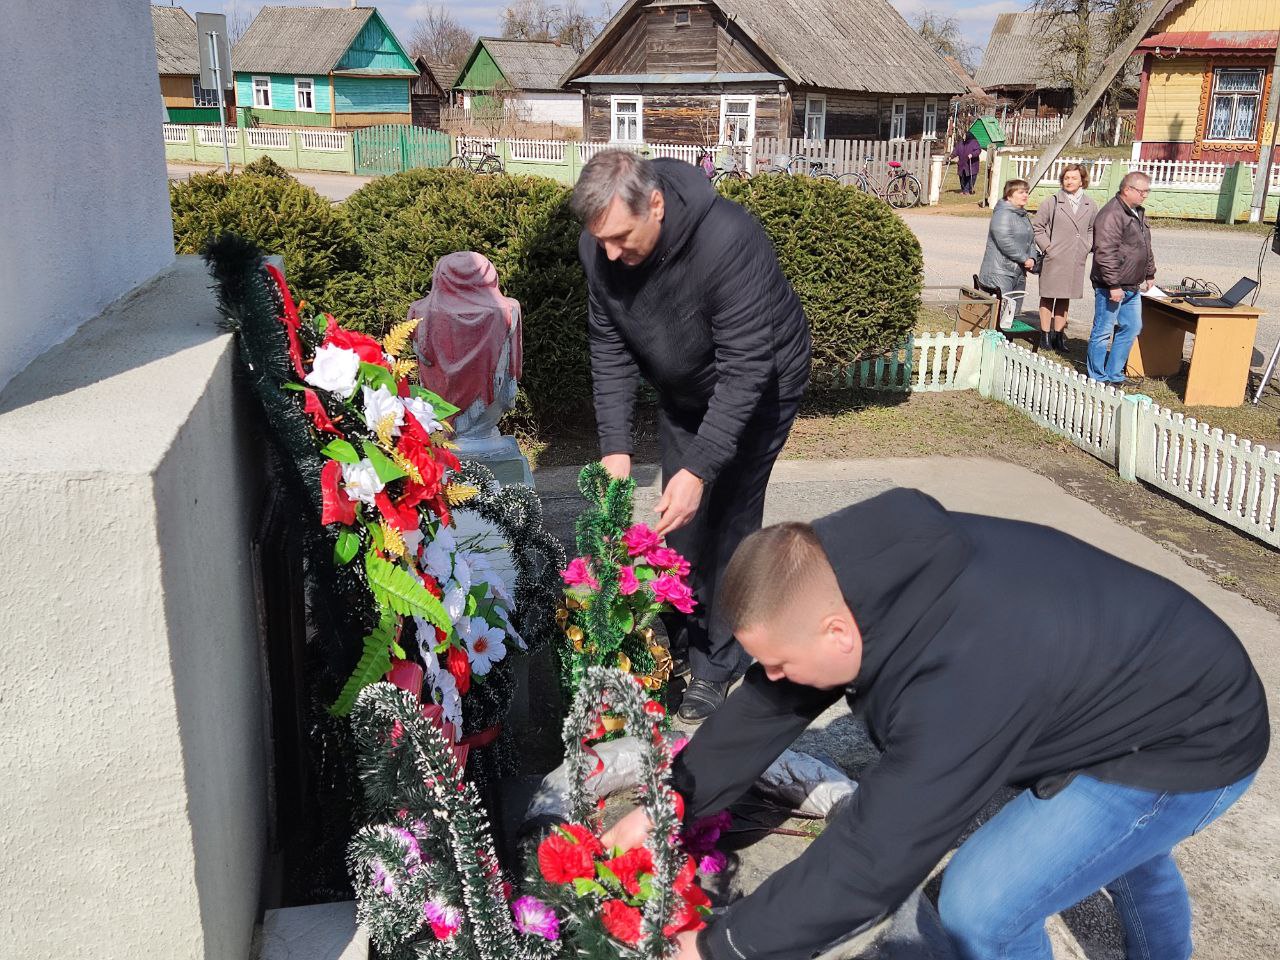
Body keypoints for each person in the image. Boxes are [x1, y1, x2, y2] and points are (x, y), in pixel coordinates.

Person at [605, 488, 1268, 960]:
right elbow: (770, 702)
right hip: (1138, 679)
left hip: (1191, 737)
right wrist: (675, 799)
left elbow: (875, 854)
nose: (769, 678)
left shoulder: (962, 680)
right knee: (1118, 850)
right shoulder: (840, 574)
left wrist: (723, 947)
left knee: (981, 908)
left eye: (777, 663)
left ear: (837, 632)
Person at [572, 149, 811, 722]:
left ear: (655, 204)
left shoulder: (728, 238)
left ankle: (716, 662)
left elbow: (748, 366)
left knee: (727, 515)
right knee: (677, 519)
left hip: (760, 386)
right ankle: (683, 624)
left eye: (622, 237)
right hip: (683, 389)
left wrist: (701, 467)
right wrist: (615, 448)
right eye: (600, 240)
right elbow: (609, 347)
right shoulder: (601, 246)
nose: (609, 254)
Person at [1088, 171, 1156, 384]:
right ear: (1127, 190)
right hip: (1111, 286)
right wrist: (1113, 284)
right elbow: (1104, 252)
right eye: (1142, 191)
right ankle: (1097, 377)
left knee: (1132, 327)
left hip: (1132, 285)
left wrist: (1149, 272)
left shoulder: (1136, 212)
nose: (1145, 195)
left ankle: (1114, 374)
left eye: (1147, 191)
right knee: (1103, 331)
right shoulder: (1112, 214)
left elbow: (1144, 245)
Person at [1032, 163, 1097, 352]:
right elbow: (1038, 227)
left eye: (1074, 178)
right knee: (1048, 295)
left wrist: (1087, 246)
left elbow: (1092, 228)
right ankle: (1044, 335)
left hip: (1076, 257)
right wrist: (1048, 247)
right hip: (1055, 257)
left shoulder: (1090, 204)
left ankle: (1058, 337)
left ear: (1082, 180)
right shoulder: (1052, 202)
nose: (1069, 181)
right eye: (1066, 178)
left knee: (1064, 297)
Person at [977, 179, 1037, 328]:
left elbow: (1031, 240)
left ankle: (1005, 344)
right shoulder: (1002, 214)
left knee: (1012, 314)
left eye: (1026, 192)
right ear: (1009, 195)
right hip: (1000, 270)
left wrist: (1033, 258)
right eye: (1020, 192)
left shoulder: (1022, 215)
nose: (1025, 195)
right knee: (1000, 312)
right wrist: (1024, 259)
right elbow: (1004, 240)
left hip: (1019, 271)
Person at [951, 131, 982, 195]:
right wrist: (952, 156)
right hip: (962, 164)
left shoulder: (974, 142)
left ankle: (967, 190)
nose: (963, 137)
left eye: (965, 135)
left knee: (970, 178)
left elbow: (978, 150)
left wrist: (972, 154)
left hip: (971, 164)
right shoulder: (961, 143)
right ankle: (963, 190)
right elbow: (956, 150)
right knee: (962, 178)